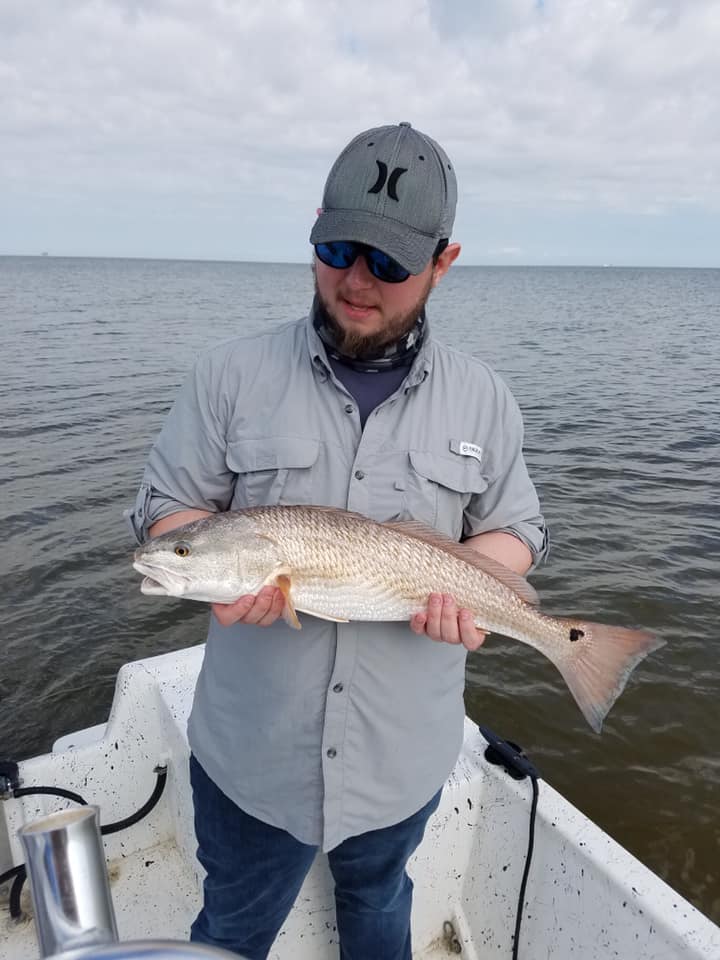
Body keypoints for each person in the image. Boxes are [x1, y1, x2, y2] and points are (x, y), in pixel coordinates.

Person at [126, 121, 547, 960]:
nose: (356, 280)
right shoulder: (228, 375)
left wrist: (469, 583)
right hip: (252, 762)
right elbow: (168, 511)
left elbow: (518, 528)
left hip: (402, 760)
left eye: (388, 262)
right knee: (231, 930)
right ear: (315, 229)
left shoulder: (485, 398)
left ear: (443, 263)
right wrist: (195, 559)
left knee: (380, 904)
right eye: (338, 249)